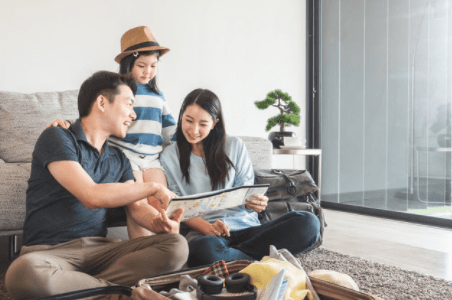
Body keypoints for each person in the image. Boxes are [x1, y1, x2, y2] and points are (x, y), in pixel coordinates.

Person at [5, 71, 188, 300]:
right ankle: (127, 293)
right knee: (22, 274)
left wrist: (161, 224)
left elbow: (137, 208)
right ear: (102, 102)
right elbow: (91, 195)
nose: (133, 114)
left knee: (177, 245)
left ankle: (90, 290)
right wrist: (152, 187)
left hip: (102, 253)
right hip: (49, 254)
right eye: (129, 104)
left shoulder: (120, 159)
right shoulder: (57, 137)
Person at [160, 88, 321, 267]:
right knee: (203, 252)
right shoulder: (169, 156)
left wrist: (254, 203)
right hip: (206, 235)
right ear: (181, 116)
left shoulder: (234, 146)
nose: (193, 129)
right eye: (188, 120)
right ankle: (266, 261)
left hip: (248, 229)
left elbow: (246, 194)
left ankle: (236, 261)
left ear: (214, 124)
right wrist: (208, 228)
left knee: (309, 224)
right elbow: (176, 206)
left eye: (203, 124)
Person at [47, 26, 177, 239]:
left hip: (152, 158)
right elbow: (92, 117)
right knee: (137, 204)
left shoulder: (159, 96)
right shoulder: (119, 93)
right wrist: (67, 123)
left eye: (153, 66)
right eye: (141, 65)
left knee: (162, 201)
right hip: (127, 155)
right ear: (129, 65)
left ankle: (165, 245)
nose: (148, 71)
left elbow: (171, 129)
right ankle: (141, 246)